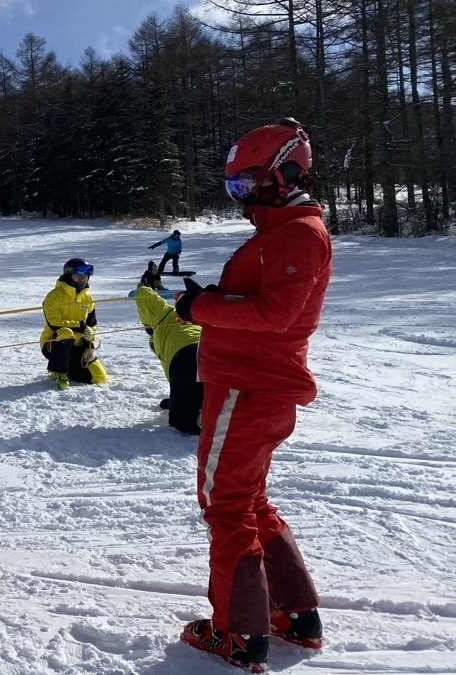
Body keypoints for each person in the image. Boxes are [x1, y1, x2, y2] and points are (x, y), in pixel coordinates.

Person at [174, 118, 331, 671]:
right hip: (255, 383)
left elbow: (277, 313)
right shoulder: (280, 232)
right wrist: (217, 297)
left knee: (226, 506)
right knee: (251, 501)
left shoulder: (297, 235)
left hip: (248, 386)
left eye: (245, 184)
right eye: (233, 187)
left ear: (285, 173)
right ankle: (295, 615)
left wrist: (201, 308)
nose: (240, 197)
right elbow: (262, 300)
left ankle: (239, 634)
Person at [134, 273, 200, 434]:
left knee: (181, 422)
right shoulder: (197, 315)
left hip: (186, 356)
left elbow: (143, 294)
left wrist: (145, 282)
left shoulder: (165, 314)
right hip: (210, 351)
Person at [40, 258, 108, 390]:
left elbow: (92, 324)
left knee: (99, 377)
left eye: (85, 276)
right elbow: (55, 323)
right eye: (78, 276)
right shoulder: (54, 296)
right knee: (66, 333)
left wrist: (90, 344)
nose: (82, 279)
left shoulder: (88, 299)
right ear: (69, 275)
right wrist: (82, 327)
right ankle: (59, 372)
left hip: (78, 346)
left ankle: (68, 368)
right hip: (54, 343)